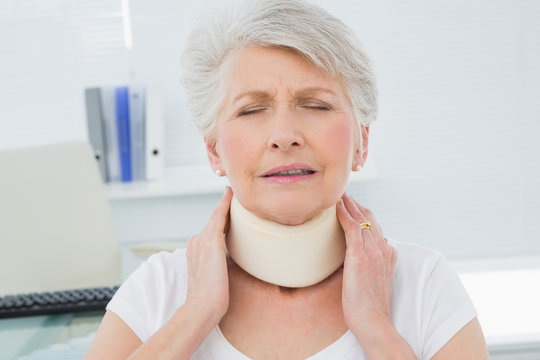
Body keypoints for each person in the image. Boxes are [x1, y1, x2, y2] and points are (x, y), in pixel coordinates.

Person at [85, 0, 489, 359]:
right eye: (250, 110)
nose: (284, 135)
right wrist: (196, 313)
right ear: (213, 150)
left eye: (316, 104)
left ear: (362, 141)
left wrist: (378, 330)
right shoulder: (160, 290)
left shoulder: (423, 285)